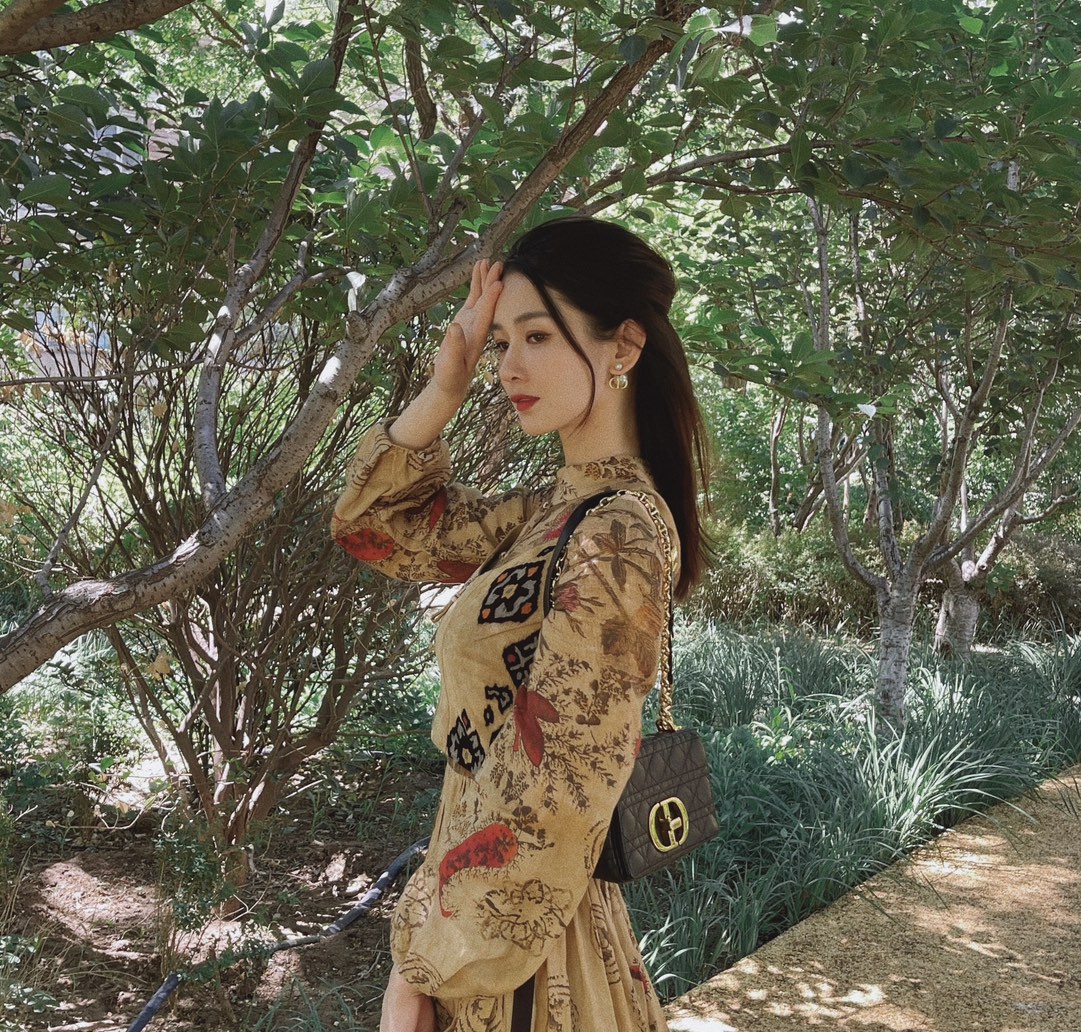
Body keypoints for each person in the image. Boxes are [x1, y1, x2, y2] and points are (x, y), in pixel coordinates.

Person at [331, 216, 711, 1032]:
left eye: (536, 336)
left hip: (511, 938)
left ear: (623, 346)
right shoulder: (555, 510)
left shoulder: (615, 532)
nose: (507, 367)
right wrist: (444, 389)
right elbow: (375, 527)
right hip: (483, 908)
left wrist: (426, 960)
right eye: (501, 342)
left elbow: (562, 791)